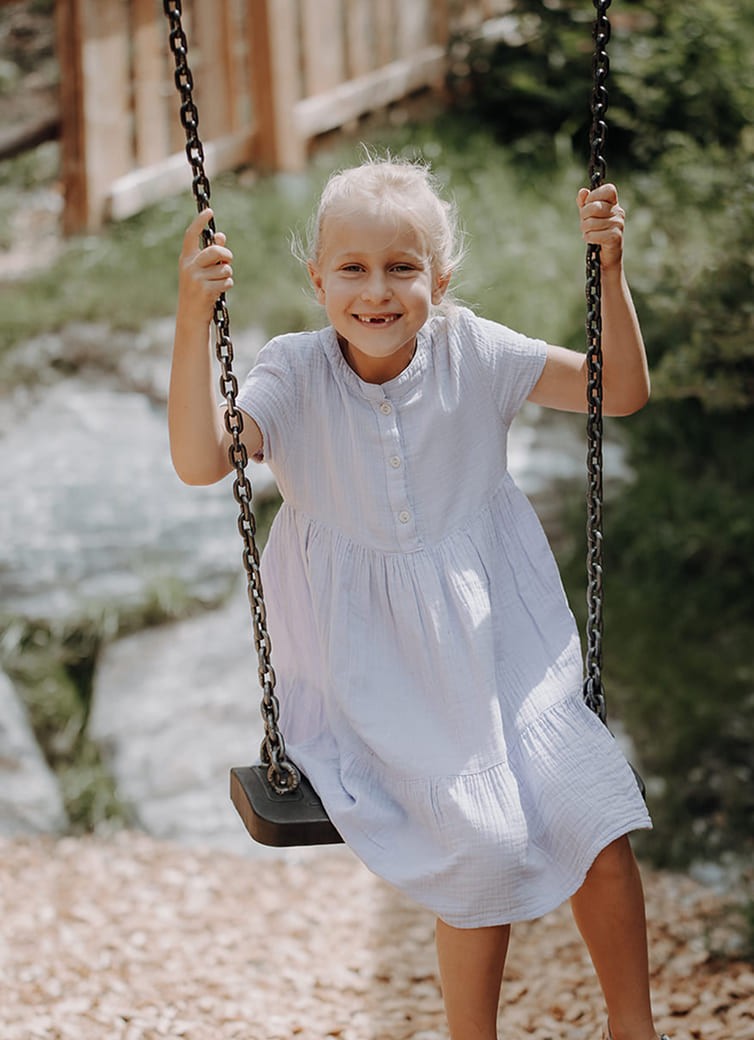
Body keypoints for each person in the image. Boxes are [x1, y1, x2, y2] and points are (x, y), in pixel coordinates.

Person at [168, 156, 667, 1040]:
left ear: (441, 278)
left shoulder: (475, 352)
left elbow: (618, 391)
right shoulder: (294, 376)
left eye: (402, 267)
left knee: (597, 812)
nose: (377, 291)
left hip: (507, 654)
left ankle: (638, 1029)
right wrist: (193, 314)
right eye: (352, 269)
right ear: (317, 279)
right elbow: (203, 461)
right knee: (484, 847)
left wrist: (610, 271)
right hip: (376, 675)